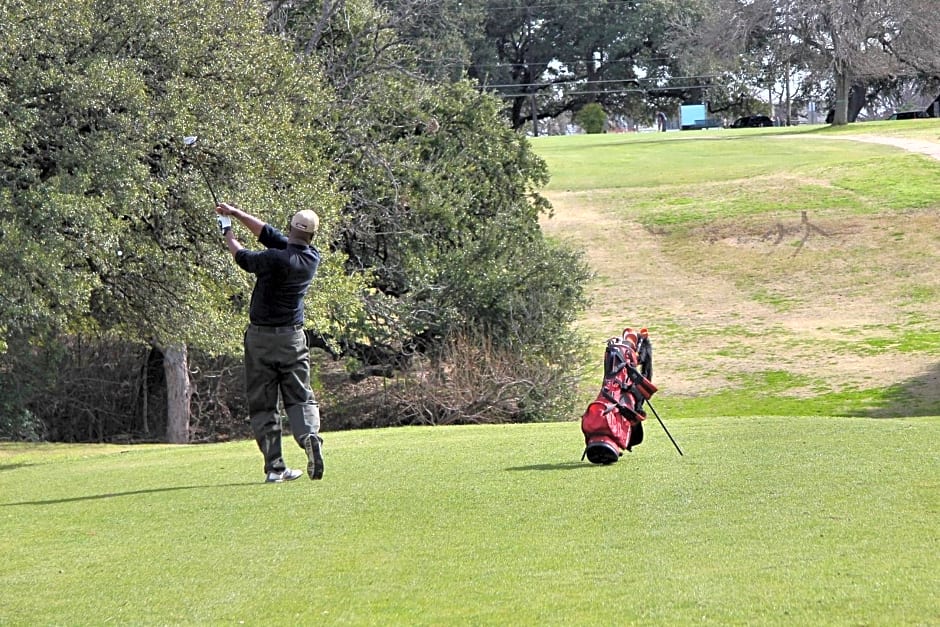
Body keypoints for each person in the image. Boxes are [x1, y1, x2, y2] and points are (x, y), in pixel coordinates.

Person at [215, 202, 325, 483]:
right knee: (300, 396)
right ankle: (309, 436)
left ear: (291, 228)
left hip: (261, 339)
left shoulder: (275, 259)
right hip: (292, 339)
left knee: (264, 404)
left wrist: (227, 231)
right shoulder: (311, 257)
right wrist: (236, 213)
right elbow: (269, 234)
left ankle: (275, 468)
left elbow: (243, 257)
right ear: (312, 235)